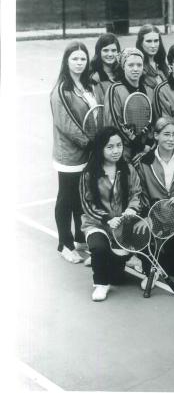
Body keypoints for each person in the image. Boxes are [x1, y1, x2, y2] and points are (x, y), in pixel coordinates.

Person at [50, 41, 100, 264]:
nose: (79, 63)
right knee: (67, 197)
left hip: (87, 152)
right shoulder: (61, 89)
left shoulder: (88, 84)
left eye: (83, 59)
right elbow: (66, 124)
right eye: (75, 59)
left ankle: (80, 238)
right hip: (69, 155)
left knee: (82, 197)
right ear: (66, 61)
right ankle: (65, 244)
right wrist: (90, 143)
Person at [79, 127, 142, 301]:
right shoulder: (89, 173)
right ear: (100, 148)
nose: (116, 151)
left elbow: (136, 193)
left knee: (118, 279)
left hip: (121, 227)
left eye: (119, 145)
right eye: (110, 147)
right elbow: (87, 204)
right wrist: (107, 219)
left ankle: (112, 260)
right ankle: (100, 284)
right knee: (98, 248)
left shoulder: (128, 169)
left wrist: (132, 209)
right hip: (97, 224)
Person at [132, 117, 174, 282]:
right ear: (156, 136)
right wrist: (147, 217)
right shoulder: (143, 161)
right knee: (151, 269)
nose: (171, 139)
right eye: (166, 134)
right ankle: (139, 256)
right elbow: (140, 193)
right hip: (153, 217)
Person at [105, 47, 154, 162]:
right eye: (130, 65)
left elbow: (153, 122)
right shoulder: (114, 90)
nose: (135, 69)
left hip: (145, 152)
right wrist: (139, 145)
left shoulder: (149, 91)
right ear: (123, 67)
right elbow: (114, 124)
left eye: (139, 65)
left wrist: (148, 145)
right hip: (123, 153)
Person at [135, 24, 169, 91]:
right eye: (149, 41)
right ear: (141, 43)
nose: (153, 45)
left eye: (156, 41)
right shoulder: (138, 67)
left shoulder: (162, 65)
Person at [89, 33, 121, 101]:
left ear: (118, 52)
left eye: (113, 50)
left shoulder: (122, 73)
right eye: (105, 50)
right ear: (99, 52)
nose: (110, 54)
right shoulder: (95, 78)